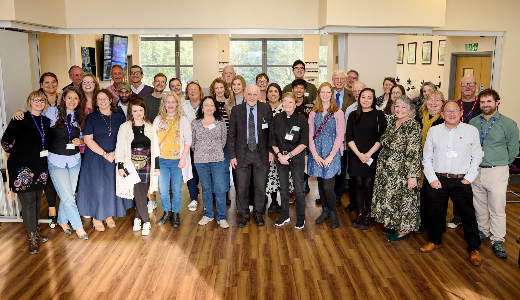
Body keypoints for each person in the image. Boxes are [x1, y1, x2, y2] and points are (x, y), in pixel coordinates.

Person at [421, 100, 483, 267]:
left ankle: (474, 248)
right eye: (447, 111)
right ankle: (434, 241)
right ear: (442, 114)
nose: (451, 114)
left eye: (455, 111)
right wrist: (432, 179)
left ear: (460, 113)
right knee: (434, 212)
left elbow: (477, 156)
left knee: (468, 215)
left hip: (461, 180)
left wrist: (468, 178)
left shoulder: (471, 131)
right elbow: (427, 157)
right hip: (438, 179)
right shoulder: (434, 131)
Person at [469, 89, 519, 258]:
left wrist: (502, 163)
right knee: (479, 204)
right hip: (476, 170)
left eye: (489, 101)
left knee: (497, 208)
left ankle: (498, 240)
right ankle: (483, 230)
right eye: (482, 102)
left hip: (497, 171)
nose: (485, 105)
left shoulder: (508, 124)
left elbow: (513, 149)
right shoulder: (473, 122)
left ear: (497, 102)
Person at [2, 91, 51, 254]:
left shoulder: (45, 120)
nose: (39, 102)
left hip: (39, 166)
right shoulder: (20, 118)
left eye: (41, 100)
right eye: (35, 100)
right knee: (28, 202)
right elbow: (5, 141)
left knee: (38, 200)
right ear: (29, 102)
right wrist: (15, 153)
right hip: (22, 168)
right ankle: (31, 237)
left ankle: (35, 229)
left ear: (45, 103)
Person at [77, 88, 131, 231]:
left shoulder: (119, 117)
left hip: (115, 155)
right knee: (98, 188)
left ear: (110, 100)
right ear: (96, 102)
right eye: (99, 99)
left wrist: (114, 153)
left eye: (104, 98)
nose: (102, 101)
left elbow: (125, 138)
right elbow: (88, 139)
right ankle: (97, 217)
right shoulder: (92, 117)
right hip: (95, 157)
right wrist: (105, 154)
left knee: (111, 187)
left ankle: (108, 215)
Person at [13, 72, 61, 228]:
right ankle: (43, 214)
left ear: (57, 83)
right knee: (42, 178)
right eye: (47, 82)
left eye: (53, 82)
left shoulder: (64, 98)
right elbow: (23, 116)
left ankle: (50, 210)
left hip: (57, 144)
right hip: (38, 149)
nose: (50, 85)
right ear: (41, 85)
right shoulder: (36, 100)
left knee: (52, 176)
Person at [372, 96, 422, 241]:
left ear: (410, 109)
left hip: (402, 171)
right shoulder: (393, 121)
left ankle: (403, 230)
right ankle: (394, 225)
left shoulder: (412, 125)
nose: (399, 109)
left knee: (403, 200)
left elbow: (414, 152)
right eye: (397, 106)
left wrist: (412, 175)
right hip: (387, 171)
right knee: (391, 199)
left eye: (403, 107)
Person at [228, 84, 274, 228]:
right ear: (245, 95)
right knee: (242, 186)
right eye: (250, 94)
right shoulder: (236, 110)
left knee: (260, 186)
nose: (252, 97)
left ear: (259, 95)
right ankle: (244, 214)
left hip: (262, 153)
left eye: (255, 94)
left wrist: (271, 152)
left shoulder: (266, 109)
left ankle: (259, 214)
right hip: (243, 153)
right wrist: (232, 155)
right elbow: (232, 135)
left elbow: (271, 132)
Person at [48, 86, 88, 239]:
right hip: (56, 159)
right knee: (67, 197)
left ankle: (62, 220)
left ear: (79, 102)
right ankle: (79, 227)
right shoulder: (52, 112)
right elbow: (35, 114)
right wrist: (20, 111)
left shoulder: (80, 117)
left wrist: (81, 141)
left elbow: (85, 138)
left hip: (74, 160)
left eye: (75, 98)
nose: (72, 101)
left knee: (69, 194)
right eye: (69, 98)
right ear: (64, 99)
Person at [115, 98, 160, 236]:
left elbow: (155, 148)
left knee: (143, 192)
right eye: (135, 110)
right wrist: (120, 166)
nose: (138, 113)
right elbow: (120, 148)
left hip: (147, 164)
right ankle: (146, 221)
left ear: (144, 111)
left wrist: (156, 166)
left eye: (140, 110)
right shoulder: (125, 127)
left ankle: (137, 218)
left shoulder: (150, 126)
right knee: (138, 192)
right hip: (129, 164)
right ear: (131, 112)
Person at [346, 88, 387, 230]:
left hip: (372, 155)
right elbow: (349, 137)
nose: (365, 100)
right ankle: (360, 213)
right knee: (358, 185)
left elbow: (381, 137)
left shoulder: (379, 115)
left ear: (373, 99)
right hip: (356, 155)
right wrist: (359, 154)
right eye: (363, 97)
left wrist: (368, 154)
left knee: (369, 186)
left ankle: (369, 214)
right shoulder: (353, 115)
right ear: (359, 99)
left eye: (369, 97)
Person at [308, 82, 345, 228]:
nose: (325, 95)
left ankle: (333, 212)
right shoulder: (313, 113)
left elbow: (340, 136)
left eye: (327, 92)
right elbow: (310, 135)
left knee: (328, 186)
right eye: (322, 92)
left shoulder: (338, 113)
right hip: (317, 153)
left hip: (332, 154)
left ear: (331, 94)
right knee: (321, 184)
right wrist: (316, 155)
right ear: (319, 94)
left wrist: (331, 155)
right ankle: (324, 211)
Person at [153, 92, 192, 228]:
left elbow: (188, 141)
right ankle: (166, 213)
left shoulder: (183, 120)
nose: (170, 104)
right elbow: (153, 141)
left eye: (172, 102)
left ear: (177, 103)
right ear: (164, 103)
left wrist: (183, 159)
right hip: (162, 160)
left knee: (176, 189)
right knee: (163, 190)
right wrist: (155, 162)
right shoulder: (158, 119)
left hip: (177, 161)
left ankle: (175, 214)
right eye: (167, 102)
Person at [270, 92, 309, 228]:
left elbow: (304, 142)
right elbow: (272, 139)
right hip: (280, 158)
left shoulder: (302, 119)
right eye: (285, 101)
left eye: (290, 102)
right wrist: (280, 155)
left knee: (298, 189)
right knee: (283, 188)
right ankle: (285, 215)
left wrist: (289, 155)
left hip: (296, 157)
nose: (287, 104)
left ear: (295, 103)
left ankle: (301, 217)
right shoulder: (277, 118)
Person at [448, 74, 481, 229]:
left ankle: (475, 218)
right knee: (458, 184)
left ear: (475, 86)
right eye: (465, 84)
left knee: (475, 187)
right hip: (457, 151)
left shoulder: (482, 105)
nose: (468, 87)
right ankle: (457, 216)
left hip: (475, 149)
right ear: (460, 87)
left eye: (471, 84)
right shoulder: (454, 105)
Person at [192, 96, 229, 228]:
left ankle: (222, 217)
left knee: (220, 189)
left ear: (215, 107)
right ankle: (208, 214)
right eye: (206, 105)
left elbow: (223, 140)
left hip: (218, 160)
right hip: (201, 161)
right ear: (202, 107)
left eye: (211, 105)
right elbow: (193, 143)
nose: (208, 107)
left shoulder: (220, 122)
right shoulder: (195, 123)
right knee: (206, 189)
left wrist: (214, 150)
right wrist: (202, 152)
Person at [416, 90, 446, 234]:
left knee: (436, 197)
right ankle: (422, 222)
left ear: (442, 104)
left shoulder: (445, 120)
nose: (433, 103)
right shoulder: (419, 117)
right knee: (422, 194)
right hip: (419, 162)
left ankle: (438, 226)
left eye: (437, 100)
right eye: (430, 100)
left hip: (438, 164)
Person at [266, 83, 294, 213]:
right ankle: (273, 202)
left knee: (284, 176)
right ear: (267, 94)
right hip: (268, 148)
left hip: (284, 150)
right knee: (271, 175)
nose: (273, 94)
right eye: (270, 91)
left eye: (275, 91)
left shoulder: (286, 109)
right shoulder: (263, 109)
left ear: (280, 94)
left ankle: (284, 202)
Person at [332, 69, 356, 207]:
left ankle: (337, 195)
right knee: (327, 167)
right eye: (337, 79)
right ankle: (326, 194)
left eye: (342, 79)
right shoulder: (327, 93)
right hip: (329, 138)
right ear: (333, 80)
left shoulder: (351, 95)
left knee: (340, 168)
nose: (339, 81)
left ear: (346, 80)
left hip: (344, 138)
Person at [343, 81, 366, 212]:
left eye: (360, 91)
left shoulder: (375, 110)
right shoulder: (350, 110)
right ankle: (353, 203)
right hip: (353, 149)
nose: (357, 94)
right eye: (355, 91)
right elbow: (347, 132)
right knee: (353, 178)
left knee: (367, 181)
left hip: (369, 151)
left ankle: (366, 207)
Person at [181, 81, 204, 211]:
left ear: (200, 91)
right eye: (190, 89)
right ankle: (194, 198)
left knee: (204, 171)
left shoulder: (205, 103)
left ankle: (207, 197)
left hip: (204, 143)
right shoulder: (183, 105)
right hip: (188, 143)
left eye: (195, 89)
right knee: (191, 171)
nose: (193, 91)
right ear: (187, 92)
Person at [209, 78, 232, 203]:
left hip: (228, 141)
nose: (219, 90)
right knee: (214, 168)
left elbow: (232, 121)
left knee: (224, 168)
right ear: (213, 90)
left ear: (225, 88)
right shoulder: (210, 103)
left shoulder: (230, 102)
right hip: (214, 141)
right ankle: (214, 193)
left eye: (221, 87)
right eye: (216, 88)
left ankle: (224, 194)